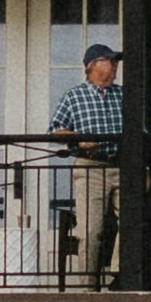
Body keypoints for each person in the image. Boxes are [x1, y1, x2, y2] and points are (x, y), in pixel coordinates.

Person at [50, 37, 123, 285]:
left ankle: (118, 277)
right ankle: (87, 290)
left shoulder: (123, 94)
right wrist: (79, 139)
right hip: (90, 167)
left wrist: (143, 169)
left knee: (134, 221)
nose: (115, 66)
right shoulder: (74, 96)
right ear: (93, 65)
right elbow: (56, 131)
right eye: (111, 61)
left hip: (123, 165)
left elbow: (140, 132)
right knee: (91, 232)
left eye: (116, 62)